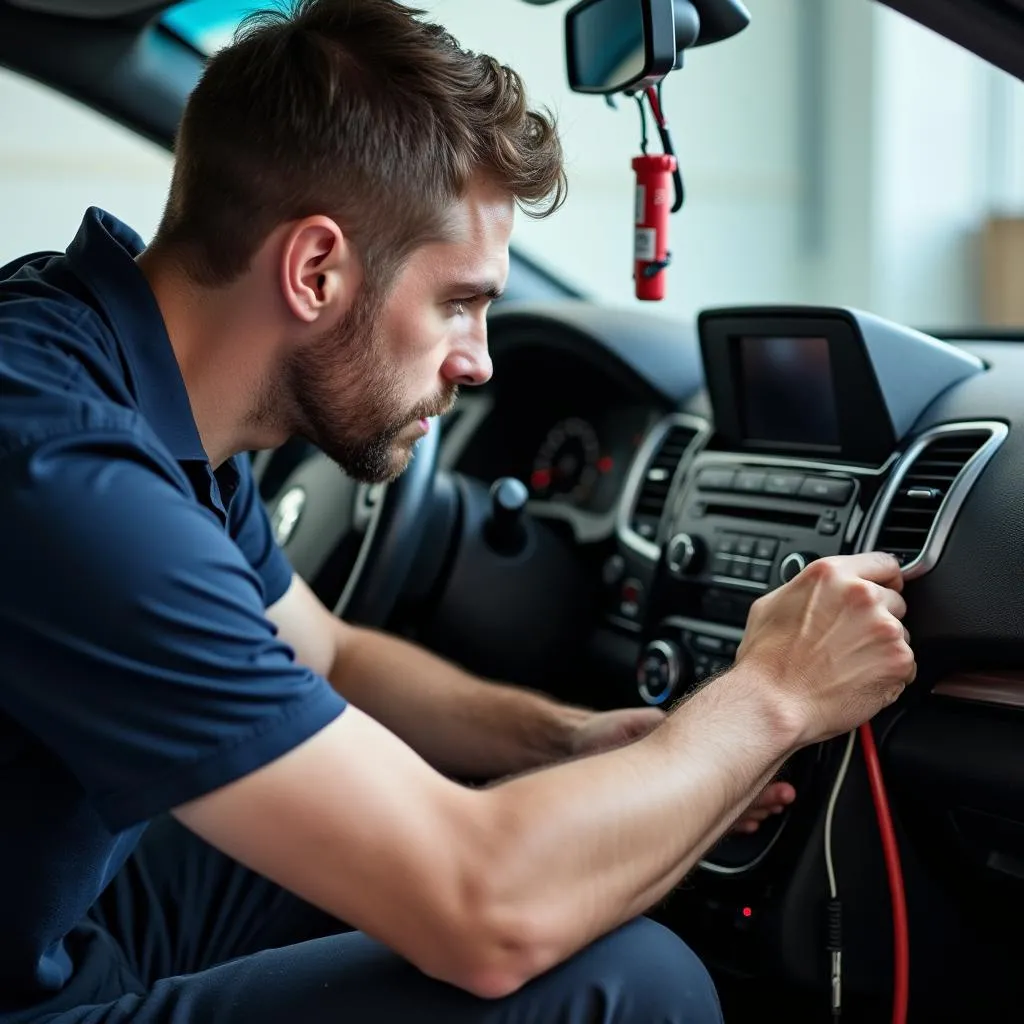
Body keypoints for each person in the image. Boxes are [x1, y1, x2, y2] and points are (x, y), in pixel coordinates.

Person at [0, 1, 916, 1022]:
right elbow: (488, 916)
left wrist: (570, 744)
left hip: (52, 924)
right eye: (460, 302)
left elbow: (331, 656)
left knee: (498, 830)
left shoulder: (116, 367)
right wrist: (776, 693)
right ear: (314, 270)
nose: (479, 360)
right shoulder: (63, 469)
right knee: (628, 982)